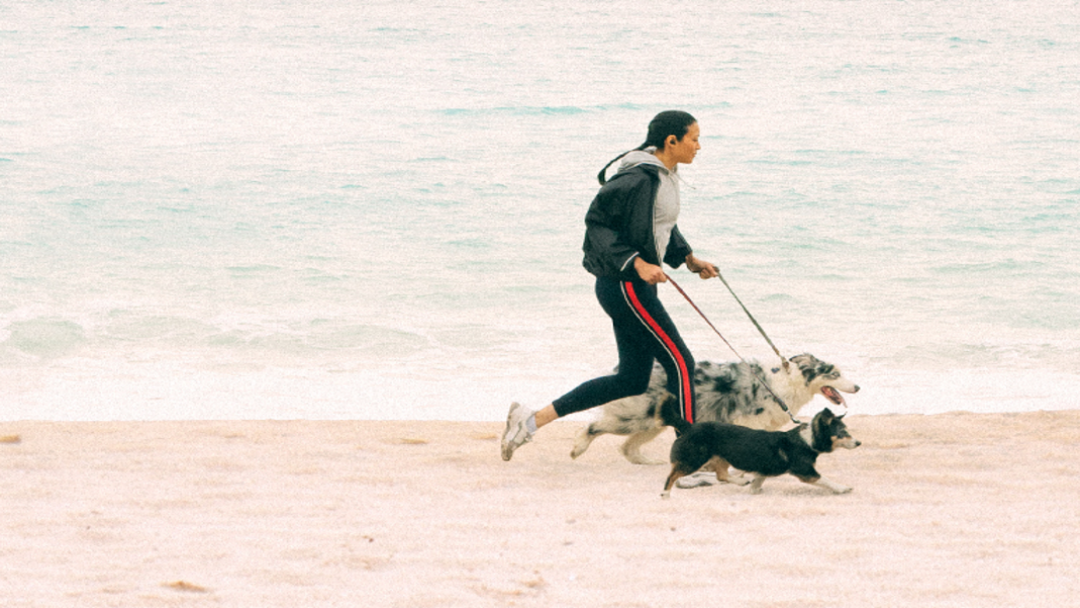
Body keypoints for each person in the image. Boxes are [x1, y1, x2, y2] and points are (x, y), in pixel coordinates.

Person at [502, 110, 719, 461]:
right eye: (694, 138)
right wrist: (636, 262)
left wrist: (688, 258)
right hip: (625, 285)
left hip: (633, 287)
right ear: (671, 141)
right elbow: (597, 224)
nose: (699, 146)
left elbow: (657, 224)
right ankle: (692, 457)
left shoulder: (664, 175)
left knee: (632, 379)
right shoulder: (639, 177)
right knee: (681, 361)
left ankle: (529, 421)